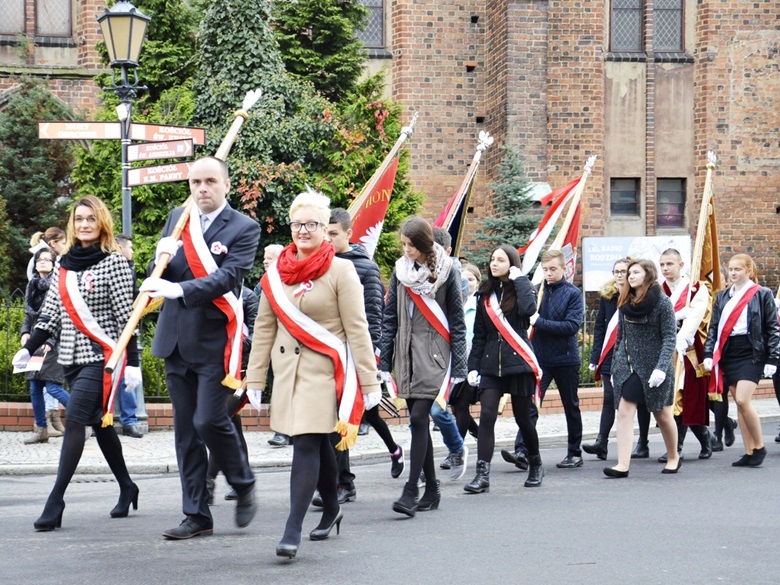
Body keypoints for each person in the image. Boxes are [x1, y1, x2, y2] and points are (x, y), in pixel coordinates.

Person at [244, 190, 382, 560]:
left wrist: (369, 381)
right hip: (287, 373)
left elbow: (358, 329)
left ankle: (292, 528)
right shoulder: (276, 274)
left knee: (305, 442)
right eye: (297, 224)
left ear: (325, 228)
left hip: (325, 373)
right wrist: (255, 377)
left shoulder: (342, 269)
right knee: (317, 441)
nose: (303, 230)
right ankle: (333, 507)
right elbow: (264, 329)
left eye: (311, 224)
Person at [141, 156, 259, 540]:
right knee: (185, 434)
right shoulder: (178, 218)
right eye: (195, 182)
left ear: (226, 184)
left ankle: (242, 483)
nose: (202, 189)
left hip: (214, 343)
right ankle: (196, 514)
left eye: (210, 181)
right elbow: (161, 274)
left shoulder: (244, 227)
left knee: (208, 421)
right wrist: (155, 270)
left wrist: (179, 290)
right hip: (175, 339)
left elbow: (228, 277)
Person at [13, 195, 142, 530]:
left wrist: (132, 365)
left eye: (91, 218)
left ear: (102, 223)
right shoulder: (63, 264)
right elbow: (50, 315)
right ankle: (128, 486)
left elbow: (128, 318)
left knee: (75, 423)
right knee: (100, 424)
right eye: (79, 219)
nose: (84, 224)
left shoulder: (114, 262)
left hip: (103, 358)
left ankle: (55, 501)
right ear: (72, 224)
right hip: (70, 359)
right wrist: (30, 347)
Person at [380, 217, 467, 517]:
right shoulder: (400, 271)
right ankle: (432, 489)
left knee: (419, 417)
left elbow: (457, 320)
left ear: (423, 245)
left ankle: (410, 490)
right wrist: (384, 361)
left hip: (434, 356)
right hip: (406, 357)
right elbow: (390, 316)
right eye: (403, 244)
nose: (405, 251)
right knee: (416, 422)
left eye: (410, 246)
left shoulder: (447, 272)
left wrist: (460, 366)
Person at [318, 208, 404, 504]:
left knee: (349, 418)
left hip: (355, 355)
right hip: (327, 353)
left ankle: (344, 483)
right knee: (337, 420)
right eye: (324, 234)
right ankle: (343, 482)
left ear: (348, 234)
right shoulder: (319, 263)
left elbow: (374, 316)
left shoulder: (364, 268)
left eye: (333, 234)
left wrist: (370, 358)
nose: (327, 240)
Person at [464, 245, 544, 492]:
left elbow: (528, 312)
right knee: (487, 416)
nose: (494, 263)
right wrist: (473, 366)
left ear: (512, 263)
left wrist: (519, 278)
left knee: (523, 418)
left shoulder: (523, 289)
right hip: (490, 365)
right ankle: (482, 475)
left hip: (518, 363)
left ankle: (535, 463)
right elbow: (479, 335)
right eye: (492, 260)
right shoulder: (485, 295)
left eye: (500, 260)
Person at [702, 253, 780, 467]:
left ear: (748, 271)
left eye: (738, 269)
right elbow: (714, 328)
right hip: (730, 352)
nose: (734, 273)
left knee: (744, 400)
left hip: (752, 352)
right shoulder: (723, 297)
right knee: (739, 403)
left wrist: (773, 358)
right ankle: (749, 451)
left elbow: (773, 328)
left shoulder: (762, 294)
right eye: (731, 269)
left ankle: (760, 446)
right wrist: (709, 353)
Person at [604, 259, 680, 477]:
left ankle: (673, 456)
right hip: (628, 367)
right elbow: (621, 337)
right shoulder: (625, 301)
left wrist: (662, 368)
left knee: (662, 415)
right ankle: (622, 465)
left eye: (635, 272)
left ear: (648, 275)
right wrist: (616, 364)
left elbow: (669, 338)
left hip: (654, 367)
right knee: (625, 412)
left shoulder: (662, 303)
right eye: (629, 273)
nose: (630, 276)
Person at [526, 249, 585, 469]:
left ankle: (574, 452)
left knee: (570, 405)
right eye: (545, 269)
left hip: (565, 358)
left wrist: (538, 321)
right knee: (532, 404)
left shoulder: (573, 294)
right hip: (541, 357)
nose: (548, 273)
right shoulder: (538, 291)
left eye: (553, 269)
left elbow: (571, 327)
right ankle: (523, 449)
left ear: (564, 269)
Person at [656, 248, 713, 462]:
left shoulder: (696, 289)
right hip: (665, 348)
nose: (665, 268)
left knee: (685, 398)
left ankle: (681, 446)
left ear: (681, 265)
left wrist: (682, 337)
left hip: (687, 349)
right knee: (671, 398)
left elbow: (697, 315)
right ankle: (678, 445)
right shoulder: (658, 290)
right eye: (662, 265)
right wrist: (675, 316)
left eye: (669, 264)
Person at [206, 285, 258, 504]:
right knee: (231, 424)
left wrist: (234, 342)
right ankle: (243, 478)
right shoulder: (213, 295)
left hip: (244, 372)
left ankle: (208, 481)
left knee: (221, 419)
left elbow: (258, 335)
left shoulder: (248, 297)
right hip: (220, 370)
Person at [430, 227, 470, 480]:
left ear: (446, 251)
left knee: (437, 409)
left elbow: (457, 320)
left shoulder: (457, 276)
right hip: (421, 351)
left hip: (445, 351)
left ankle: (457, 447)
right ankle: (421, 469)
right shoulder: (412, 272)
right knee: (418, 415)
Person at [20, 247, 70, 444]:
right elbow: (28, 314)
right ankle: (41, 430)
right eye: (39, 259)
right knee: (34, 387)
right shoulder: (31, 285)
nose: (42, 262)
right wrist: (25, 333)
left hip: (52, 342)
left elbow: (61, 315)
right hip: (34, 342)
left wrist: (49, 340)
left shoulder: (58, 285)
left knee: (53, 388)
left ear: (53, 264)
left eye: (47, 259)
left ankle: (85, 421)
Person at [582, 258, 629, 460]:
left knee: (642, 402)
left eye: (623, 271)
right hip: (611, 354)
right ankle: (602, 442)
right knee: (609, 398)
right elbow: (600, 328)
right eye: (616, 271)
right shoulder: (608, 297)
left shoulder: (639, 295)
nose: (619, 275)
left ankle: (643, 441)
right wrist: (595, 356)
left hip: (632, 354)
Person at [257, 243, 292, 448]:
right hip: (273, 346)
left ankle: (290, 431)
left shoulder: (293, 279)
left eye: (268, 258)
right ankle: (281, 431)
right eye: (264, 258)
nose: (264, 261)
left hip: (293, 345)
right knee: (277, 388)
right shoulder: (264, 284)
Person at [114, 234, 143, 439]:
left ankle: (129, 420)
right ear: (120, 248)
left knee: (127, 375)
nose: (132, 251)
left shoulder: (129, 268)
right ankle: (101, 419)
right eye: (130, 248)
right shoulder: (110, 266)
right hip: (108, 330)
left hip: (126, 328)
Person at [449, 262, 481, 441]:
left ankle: (457, 448)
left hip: (471, 360)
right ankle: (477, 432)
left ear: (477, 282)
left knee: (460, 404)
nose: (467, 283)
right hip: (454, 359)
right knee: (454, 403)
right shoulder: (454, 302)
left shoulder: (480, 304)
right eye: (464, 279)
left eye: (471, 279)